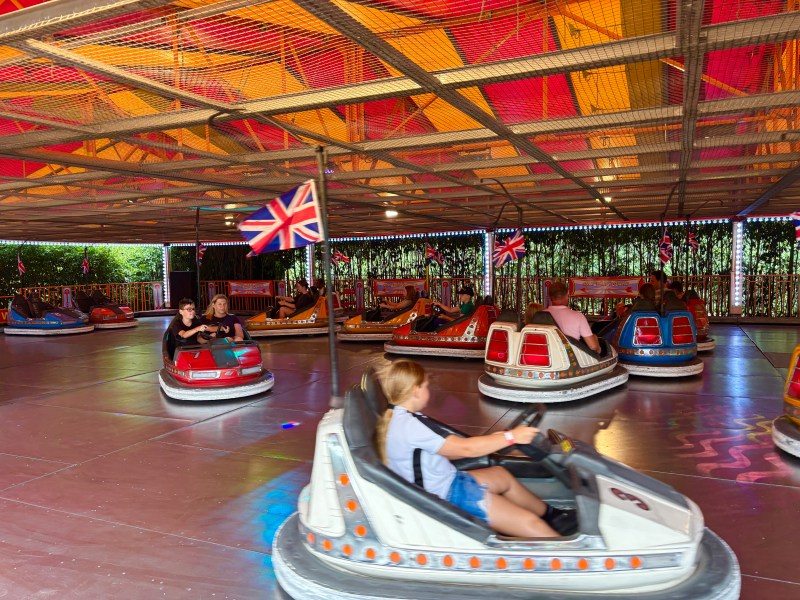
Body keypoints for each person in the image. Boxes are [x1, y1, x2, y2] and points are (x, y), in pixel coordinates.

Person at [376, 360, 577, 537]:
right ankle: (565, 553)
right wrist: (511, 437)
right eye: (426, 386)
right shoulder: (411, 425)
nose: (428, 390)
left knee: (501, 475)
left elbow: (446, 447)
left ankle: (553, 517)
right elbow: (465, 450)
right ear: (416, 390)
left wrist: (501, 437)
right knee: (530, 523)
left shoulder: (402, 419)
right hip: (446, 495)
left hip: (446, 481)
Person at [544, 282, 600, 352]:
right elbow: (593, 346)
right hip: (571, 356)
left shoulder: (540, 315)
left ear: (549, 296)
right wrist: (596, 341)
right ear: (567, 295)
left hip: (546, 354)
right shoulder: (578, 316)